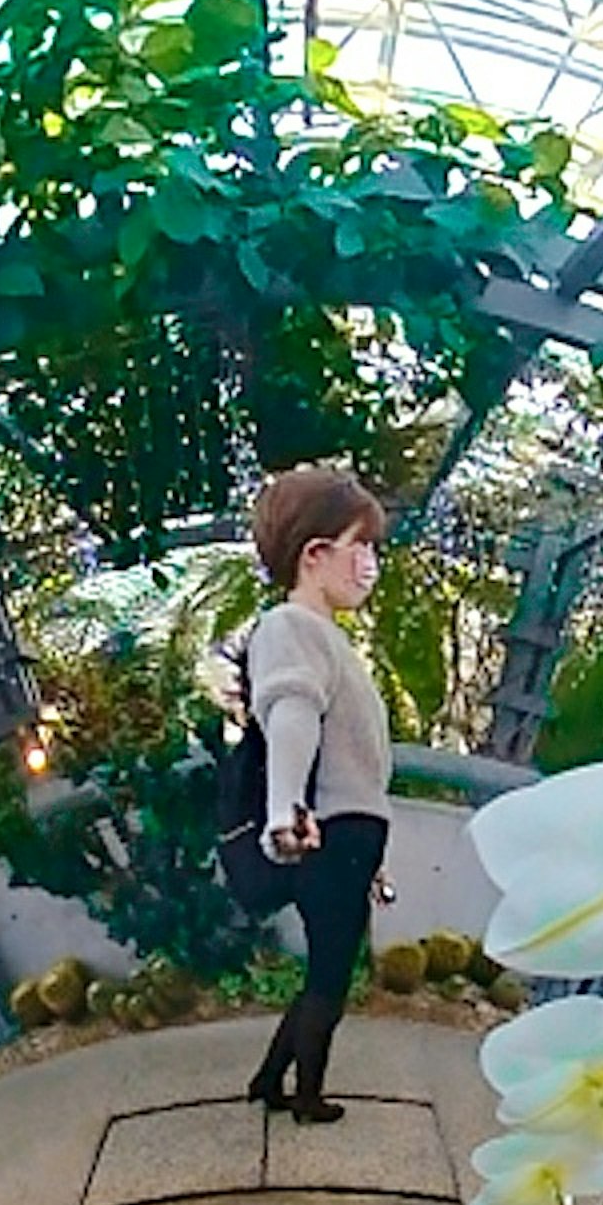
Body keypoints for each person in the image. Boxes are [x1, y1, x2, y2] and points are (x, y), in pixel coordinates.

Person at [222, 462, 391, 1124]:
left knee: (326, 971)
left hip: (349, 837)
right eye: (362, 547)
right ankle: (306, 1098)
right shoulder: (292, 629)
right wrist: (285, 809)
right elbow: (289, 714)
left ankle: (269, 1080)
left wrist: (371, 856)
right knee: (330, 978)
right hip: (332, 835)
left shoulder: (323, 637)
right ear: (315, 555)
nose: (370, 563)